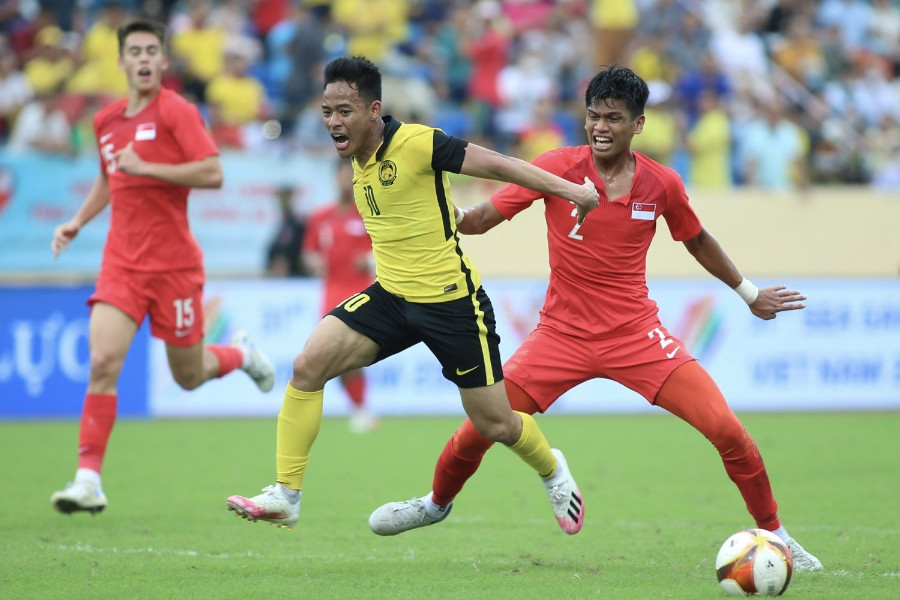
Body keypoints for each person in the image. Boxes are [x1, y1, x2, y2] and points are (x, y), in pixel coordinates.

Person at [367, 65, 825, 572]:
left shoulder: (662, 184)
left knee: (728, 431)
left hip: (637, 338)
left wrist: (749, 292)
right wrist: (439, 209)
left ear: (639, 124)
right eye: (593, 116)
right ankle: (435, 504)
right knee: (482, 427)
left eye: (613, 117)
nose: (600, 126)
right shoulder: (556, 168)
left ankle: (778, 535)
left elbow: (695, 239)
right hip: (559, 337)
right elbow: (478, 221)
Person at [224, 55, 600, 533]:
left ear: (373, 110)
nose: (333, 122)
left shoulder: (418, 143)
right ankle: (286, 494)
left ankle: (553, 470)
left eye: (344, 110)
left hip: (453, 303)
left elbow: (501, 166)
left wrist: (571, 191)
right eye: (327, 111)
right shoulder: (356, 161)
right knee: (307, 367)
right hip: (393, 298)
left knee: (497, 425)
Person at [48, 19, 275, 516]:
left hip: (174, 268)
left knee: (188, 376)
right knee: (103, 363)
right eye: (136, 51)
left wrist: (149, 167)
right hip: (122, 266)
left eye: (153, 50)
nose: (145, 58)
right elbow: (110, 178)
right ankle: (88, 480)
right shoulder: (105, 121)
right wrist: (77, 222)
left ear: (164, 61)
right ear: (122, 61)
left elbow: (213, 171)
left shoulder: (177, 111)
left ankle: (239, 355)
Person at [302, 159, 377, 432]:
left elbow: (383, 248)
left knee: (351, 353)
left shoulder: (369, 213)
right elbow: (309, 251)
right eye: (343, 175)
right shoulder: (321, 216)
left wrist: (369, 260)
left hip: (362, 294)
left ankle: (361, 408)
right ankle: (359, 409)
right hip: (331, 293)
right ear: (335, 179)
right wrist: (313, 262)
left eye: (351, 176)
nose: (347, 180)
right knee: (333, 356)